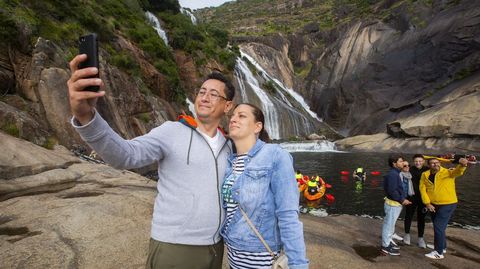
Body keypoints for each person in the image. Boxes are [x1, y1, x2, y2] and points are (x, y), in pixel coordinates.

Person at [67, 54, 235, 269]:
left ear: (228, 106)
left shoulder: (229, 144)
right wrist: (86, 117)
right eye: (201, 92)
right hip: (175, 246)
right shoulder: (171, 132)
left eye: (214, 94)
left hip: (216, 247)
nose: (204, 97)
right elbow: (125, 155)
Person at [220, 103, 309, 268]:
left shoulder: (275, 155)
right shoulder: (229, 162)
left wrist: (298, 264)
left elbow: (288, 214)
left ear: (257, 126)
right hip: (233, 257)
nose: (233, 119)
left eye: (241, 116)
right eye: (232, 115)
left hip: (262, 259)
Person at [420, 157, 468, 260]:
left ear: (440, 163)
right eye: (432, 163)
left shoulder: (448, 172)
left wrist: (462, 165)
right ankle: (442, 246)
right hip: (433, 205)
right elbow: (422, 189)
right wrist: (427, 203)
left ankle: (438, 252)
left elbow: (458, 172)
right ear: (429, 165)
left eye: (437, 162)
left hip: (448, 204)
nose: (435, 164)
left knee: (438, 227)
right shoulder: (425, 175)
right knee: (439, 227)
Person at [381, 155, 411, 256]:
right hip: (393, 204)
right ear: (394, 163)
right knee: (388, 225)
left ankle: (388, 242)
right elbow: (392, 191)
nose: (404, 163)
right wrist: (402, 200)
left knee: (391, 225)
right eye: (401, 161)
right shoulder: (393, 174)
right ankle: (385, 246)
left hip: (394, 203)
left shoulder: (396, 173)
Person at [403, 154, 429, 248]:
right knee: (408, 215)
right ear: (413, 162)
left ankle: (420, 238)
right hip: (411, 197)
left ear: (423, 161)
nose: (418, 163)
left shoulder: (427, 170)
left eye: (420, 161)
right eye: (416, 161)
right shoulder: (410, 169)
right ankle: (406, 235)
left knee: (421, 218)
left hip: (423, 198)